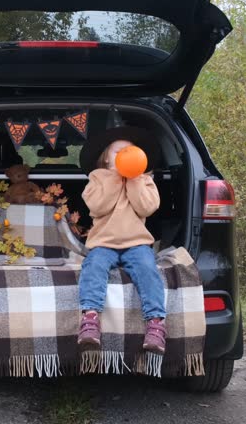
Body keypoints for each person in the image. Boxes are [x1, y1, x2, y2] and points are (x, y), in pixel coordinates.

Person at [76, 126, 167, 354]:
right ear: (106, 158)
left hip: (136, 243)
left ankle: (155, 324)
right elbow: (99, 205)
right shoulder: (97, 179)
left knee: (148, 270)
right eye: (119, 152)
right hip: (103, 243)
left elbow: (146, 207)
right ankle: (90, 318)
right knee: (93, 266)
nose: (125, 155)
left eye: (130, 151)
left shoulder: (145, 180)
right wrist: (116, 178)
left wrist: (134, 178)